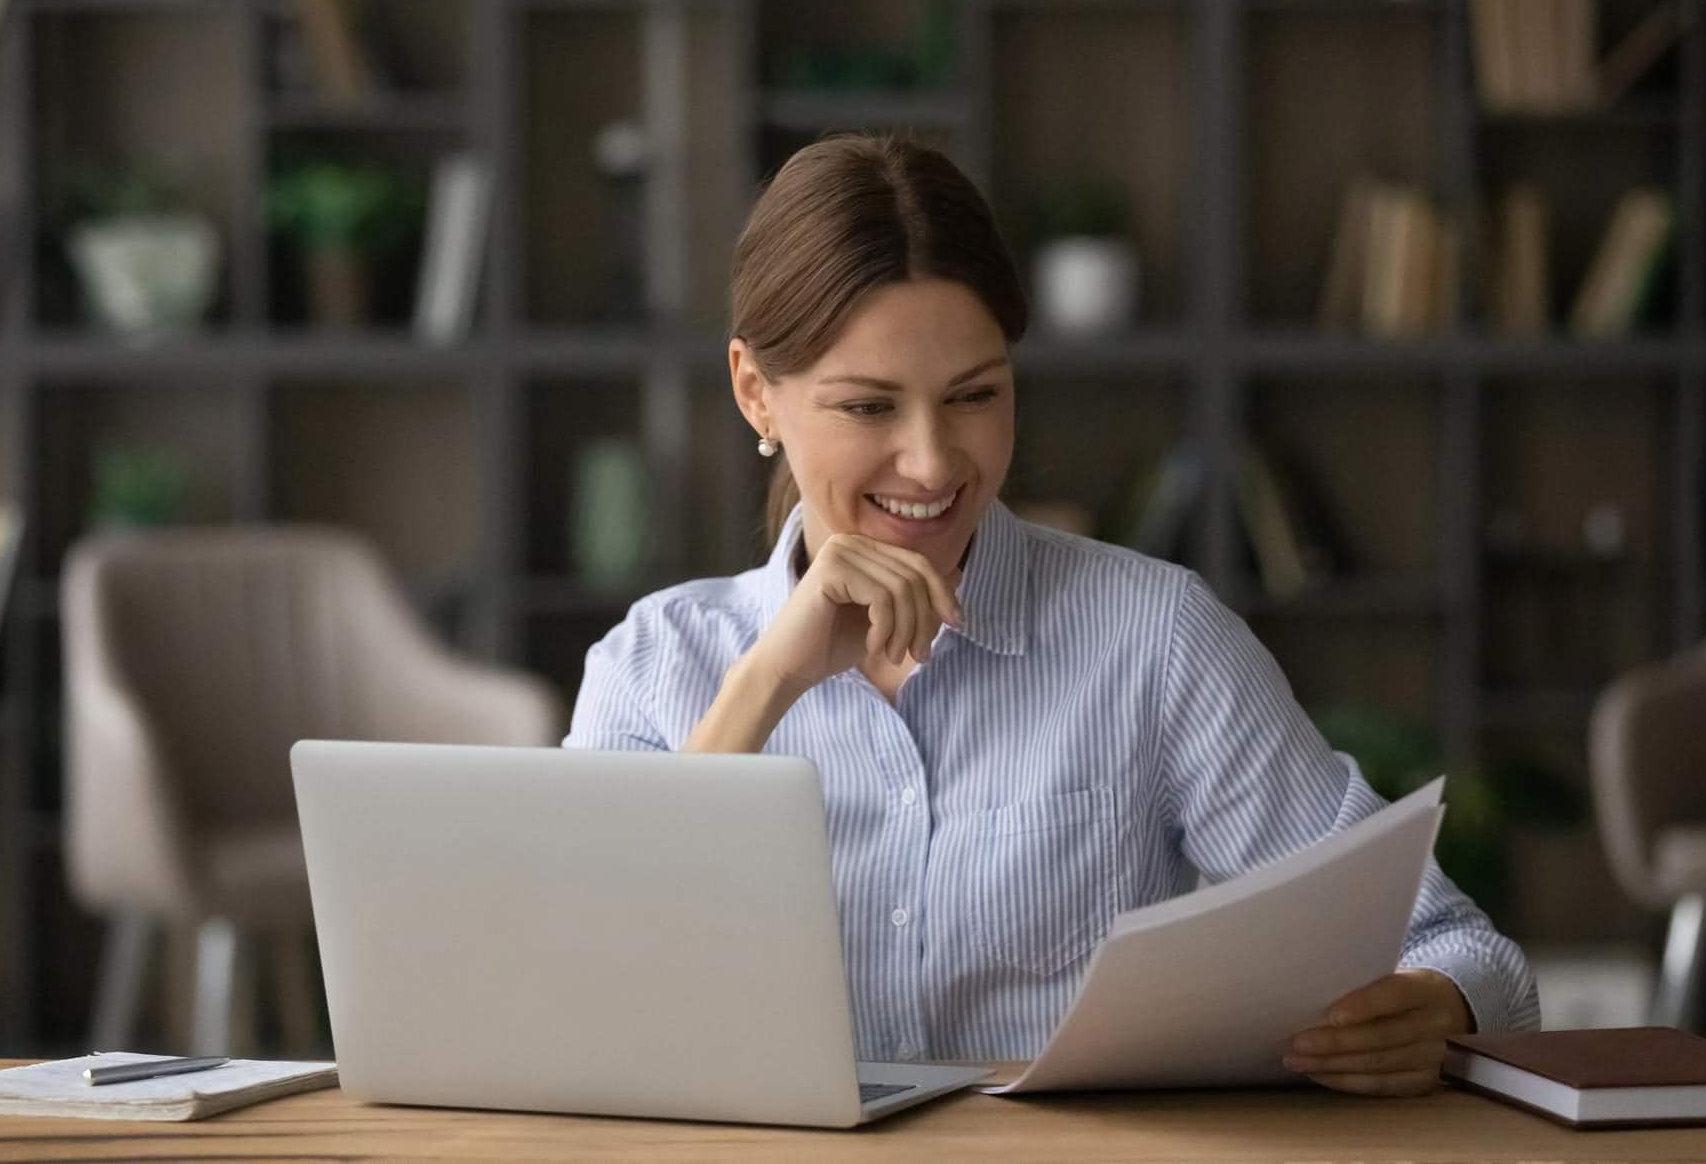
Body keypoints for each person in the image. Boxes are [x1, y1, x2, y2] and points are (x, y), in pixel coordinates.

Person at [564, 134, 1540, 1096]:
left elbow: (1456, 946)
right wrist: (768, 679)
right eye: (867, 408)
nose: (934, 461)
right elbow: (583, 995)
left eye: (973, 395)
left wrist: (1435, 1005)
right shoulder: (653, 666)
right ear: (755, 394)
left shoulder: (1151, 639)